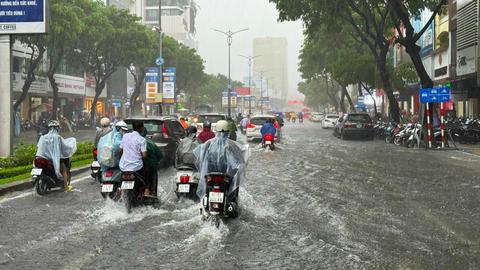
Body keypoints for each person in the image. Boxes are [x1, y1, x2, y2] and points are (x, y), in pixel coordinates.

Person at [194, 120, 247, 205]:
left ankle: (205, 202)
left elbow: (200, 157)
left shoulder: (209, 143)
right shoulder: (231, 144)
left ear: (216, 130)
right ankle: (232, 201)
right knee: (235, 185)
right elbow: (239, 160)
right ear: (228, 131)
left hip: (210, 174)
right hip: (226, 175)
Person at [36, 120, 77, 192]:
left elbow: (39, 146)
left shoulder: (43, 137)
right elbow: (65, 146)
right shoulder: (58, 137)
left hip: (42, 158)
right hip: (55, 159)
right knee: (64, 170)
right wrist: (72, 142)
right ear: (57, 128)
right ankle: (66, 187)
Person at [119, 121, 148, 195]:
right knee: (147, 173)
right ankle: (146, 190)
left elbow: (120, 150)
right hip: (136, 167)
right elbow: (144, 155)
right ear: (142, 128)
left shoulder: (125, 136)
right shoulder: (142, 140)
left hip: (124, 166)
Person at [141, 127, 163, 196]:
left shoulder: (130, 140)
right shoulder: (150, 142)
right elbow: (159, 155)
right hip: (149, 165)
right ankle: (151, 191)